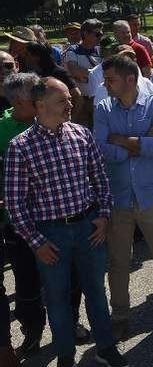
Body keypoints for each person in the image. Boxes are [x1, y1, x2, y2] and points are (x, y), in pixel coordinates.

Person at [5, 77, 127, 367]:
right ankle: (65, 354)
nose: (70, 104)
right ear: (40, 105)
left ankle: (105, 347)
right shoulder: (20, 147)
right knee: (57, 298)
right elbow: (14, 204)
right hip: (50, 235)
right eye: (63, 100)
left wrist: (103, 215)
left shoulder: (81, 135)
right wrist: (37, 243)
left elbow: (100, 179)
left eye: (69, 99)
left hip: (88, 228)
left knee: (96, 290)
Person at [93, 55, 153, 338]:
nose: (105, 84)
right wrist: (139, 141)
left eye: (110, 79)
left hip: (152, 196)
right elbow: (101, 148)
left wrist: (119, 139)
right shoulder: (102, 108)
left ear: (130, 80)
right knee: (119, 261)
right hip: (118, 199)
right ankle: (120, 314)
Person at [0, 73, 46, 364]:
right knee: (27, 280)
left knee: (64, 276)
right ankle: (32, 329)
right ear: (19, 101)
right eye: (36, 93)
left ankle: (69, 321)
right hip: (17, 220)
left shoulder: (47, 117)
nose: (43, 96)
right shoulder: (2, 128)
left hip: (52, 214)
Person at [89, 40, 153, 106]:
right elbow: (98, 113)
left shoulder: (147, 83)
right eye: (123, 59)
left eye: (131, 58)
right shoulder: (103, 89)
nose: (128, 62)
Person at [62, 18, 102, 126]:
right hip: (81, 101)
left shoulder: (100, 51)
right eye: (97, 34)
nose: (100, 36)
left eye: (101, 33)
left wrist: (89, 74)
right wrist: (98, 73)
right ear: (85, 33)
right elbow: (75, 71)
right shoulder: (73, 50)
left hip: (97, 100)